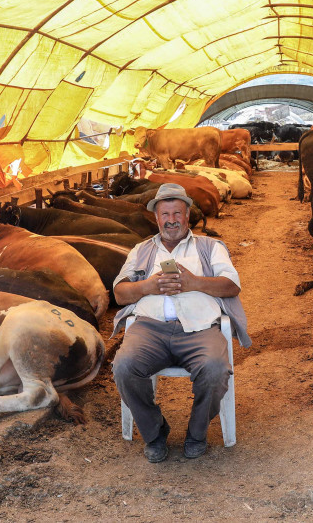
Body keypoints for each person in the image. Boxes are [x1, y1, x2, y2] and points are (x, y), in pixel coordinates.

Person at [111, 183, 250, 462]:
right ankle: (155, 432)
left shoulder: (209, 247)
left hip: (199, 328)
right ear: (156, 217)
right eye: (165, 214)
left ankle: (196, 432)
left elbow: (232, 286)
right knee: (124, 367)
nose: (171, 220)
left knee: (215, 369)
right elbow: (119, 292)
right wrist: (147, 287)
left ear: (187, 217)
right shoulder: (141, 250)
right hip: (149, 328)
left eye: (177, 213)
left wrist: (193, 282)